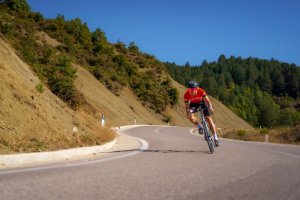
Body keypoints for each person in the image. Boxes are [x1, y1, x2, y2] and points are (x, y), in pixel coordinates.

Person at [184, 80, 220, 147]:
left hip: (202, 103)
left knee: (209, 120)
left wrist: (210, 107)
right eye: (190, 89)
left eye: (193, 89)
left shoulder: (201, 91)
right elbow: (187, 107)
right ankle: (199, 127)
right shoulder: (186, 94)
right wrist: (189, 112)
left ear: (196, 88)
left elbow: (207, 101)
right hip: (193, 105)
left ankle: (216, 139)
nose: (192, 91)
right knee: (190, 116)